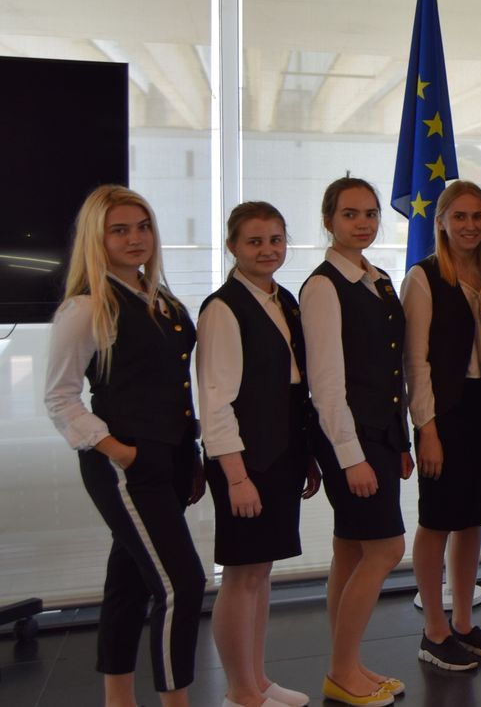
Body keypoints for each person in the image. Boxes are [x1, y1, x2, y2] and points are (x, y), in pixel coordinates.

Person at [44, 185, 207, 707]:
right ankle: (175, 702)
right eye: (120, 230)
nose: (136, 238)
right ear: (99, 238)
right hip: (127, 467)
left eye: (143, 227)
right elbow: (60, 398)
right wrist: (117, 449)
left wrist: (191, 454)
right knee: (182, 586)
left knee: (130, 583)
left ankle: (118, 700)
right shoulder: (86, 307)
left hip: (172, 460)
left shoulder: (162, 299)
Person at [197, 202, 320, 707]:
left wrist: (307, 455)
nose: (267, 250)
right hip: (245, 461)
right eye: (254, 242)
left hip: (283, 453)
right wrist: (236, 477)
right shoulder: (223, 308)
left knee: (260, 573)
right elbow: (215, 401)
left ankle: (259, 679)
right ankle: (240, 691)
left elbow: (293, 387)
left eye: (276, 239)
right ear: (232, 247)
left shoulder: (284, 299)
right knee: (242, 575)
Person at [301, 177, 411, 707]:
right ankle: (343, 673)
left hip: (381, 433)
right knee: (388, 548)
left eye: (370, 214)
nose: (363, 223)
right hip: (350, 438)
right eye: (350, 214)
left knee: (349, 551)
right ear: (328, 220)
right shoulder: (323, 286)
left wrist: (403, 439)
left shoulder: (379, 278)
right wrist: (351, 458)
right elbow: (326, 384)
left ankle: (346, 662)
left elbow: (391, 371)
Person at [401, 181, 481, 671]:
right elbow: (415, 362)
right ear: (440, 220)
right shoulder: (423, 279)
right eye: (460, 216)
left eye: (478, 216)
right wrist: (427, 427)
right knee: (437, 518)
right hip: (446, 412)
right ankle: (434, 630)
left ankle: (464, 621)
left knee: (472, 518)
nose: (470, 225)